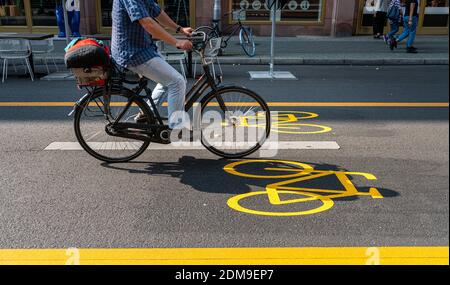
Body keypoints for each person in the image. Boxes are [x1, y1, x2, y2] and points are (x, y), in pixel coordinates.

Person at [111, 0, 193, 131]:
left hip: (143, 47)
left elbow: (158, 12)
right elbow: (148, 24)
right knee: (177, 82)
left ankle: (146, 113)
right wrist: (177, 42)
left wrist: (179, 29)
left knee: (167, 79)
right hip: (132, 52)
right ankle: (177, 129)